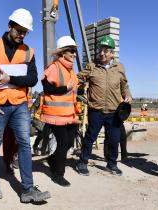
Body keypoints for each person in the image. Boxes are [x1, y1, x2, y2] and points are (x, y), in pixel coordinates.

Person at [0, 8, 50, 202]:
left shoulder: (28, 52)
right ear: (10, 26)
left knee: (24, 143)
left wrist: (11, 78)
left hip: (19, 105)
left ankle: (27, 189)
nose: (22, 34)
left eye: (25, 32)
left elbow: (32, 79)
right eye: (19, 30)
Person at [76, 35, 132, 176]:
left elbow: (124, 85)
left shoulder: (119, 68)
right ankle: (82, 162)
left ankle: (112, 164)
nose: (102, 53)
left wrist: (127, 95)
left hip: (114, 111)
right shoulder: (92, 66)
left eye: (106, 51)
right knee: (90, 137)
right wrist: (80, 93)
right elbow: (78, 79)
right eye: (100, 50)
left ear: (112, 53)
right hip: (96, 110)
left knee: (114, 139)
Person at [40, 36, 79, 187]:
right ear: (63, 52)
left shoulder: (70, 69)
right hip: (55, 114)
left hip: (69, 113)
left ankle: (52, 159)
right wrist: (65, 88)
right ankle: (58, 174)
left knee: (69, 141)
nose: (74, 54)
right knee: (63, 143)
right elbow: (46, 88)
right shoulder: (54, 67)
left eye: (75, 51)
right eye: (71, 51)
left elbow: (73, 89)